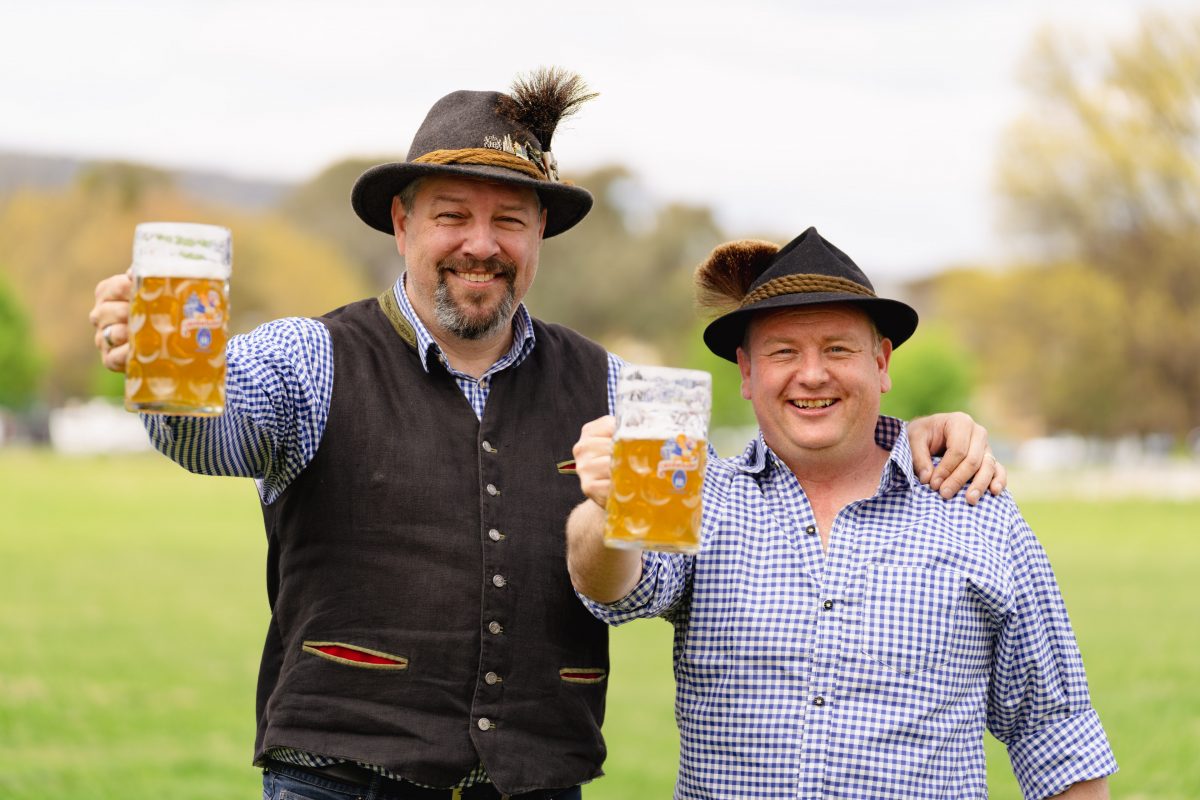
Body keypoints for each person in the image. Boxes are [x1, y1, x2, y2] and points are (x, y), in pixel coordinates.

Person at [89, 70, 1004, 800]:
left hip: (540, 786)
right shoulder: (312, 357)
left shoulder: (610, 383)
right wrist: (163, 381)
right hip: (339, 785)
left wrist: (903, 435)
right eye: (452, 214)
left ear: (538, 239)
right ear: (403, 222)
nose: (479, 242)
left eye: (508, 220)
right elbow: (217, 430)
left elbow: (738, 500)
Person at [566, 228, 1117, 800]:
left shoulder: (976, 508)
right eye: (783, 351)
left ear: (880, 363)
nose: (812, 374)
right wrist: (606, 507)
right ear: (747, 373)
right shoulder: (700, 493)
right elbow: (614, 591)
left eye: (837, 348)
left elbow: (1056, 732)